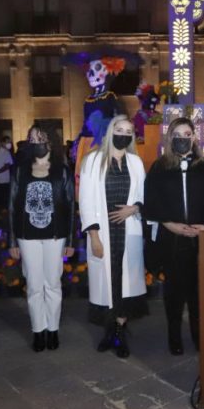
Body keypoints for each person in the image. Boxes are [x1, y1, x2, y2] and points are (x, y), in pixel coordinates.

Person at [143, 117, 204, 354]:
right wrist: (170, 224)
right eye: (177, 135)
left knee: (198, 291)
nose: (182, 139)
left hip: (200, 239)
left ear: (194, 137)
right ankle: (174, 336)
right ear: (170, 138)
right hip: (173, 239)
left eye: (187, 134)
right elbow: (152, 200)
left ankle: (198, 334)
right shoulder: (160, 167)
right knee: (174, 292)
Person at [79, 115, 147, 358]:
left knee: (125, 283)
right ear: (110, 132)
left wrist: (134, 208)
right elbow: (85, 201)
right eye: (119, 129)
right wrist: (94, 237)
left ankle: (120, 332)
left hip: (129, 230)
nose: (124, 134)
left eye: (128, 131)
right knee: (108, 281)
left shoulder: (136, 162)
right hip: (104, 232)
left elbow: (144, 196)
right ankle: (109, 331)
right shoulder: (93, 160)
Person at [8, 124, 75, 352]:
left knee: (53, 283)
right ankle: (38, 330)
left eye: (41, 138)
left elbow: (70, 206)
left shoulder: (62, 171)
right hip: (27, 236)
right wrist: (12, 240)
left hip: (55, 236)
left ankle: (53, 329)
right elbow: (12, 206)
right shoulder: (20, 170)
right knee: (34, 285)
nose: (36, 143)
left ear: (50, 142)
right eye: (32, 139)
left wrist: (71, 241)